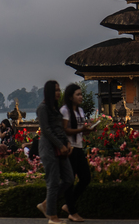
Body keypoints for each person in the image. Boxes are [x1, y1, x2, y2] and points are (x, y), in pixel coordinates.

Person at [36, 80, 74, 224]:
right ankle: (52, 216)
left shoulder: (55, 108)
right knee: (53, 182)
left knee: (69, 178)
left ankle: (46, 204)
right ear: (50, 92)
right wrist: (60, 145)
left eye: (59, 90)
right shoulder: (43, 108)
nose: (59, 92)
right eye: (56, 90)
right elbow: (46, 130)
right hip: (49, 148)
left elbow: (59, 128)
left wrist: (67, 142)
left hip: (61, 147)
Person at [60, 83, 93, 223]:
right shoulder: (65, 110)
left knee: (86, 178)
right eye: (78, 94)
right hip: (69, 148)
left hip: (78, 147)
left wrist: (87, 130)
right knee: (70, 180)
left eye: (81, 94)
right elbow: (64, 130)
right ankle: (72, 212)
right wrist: (81, 130)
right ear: (70, 96)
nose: (81, 97)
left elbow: (80, 129)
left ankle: (69, 205)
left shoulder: (80, 111)